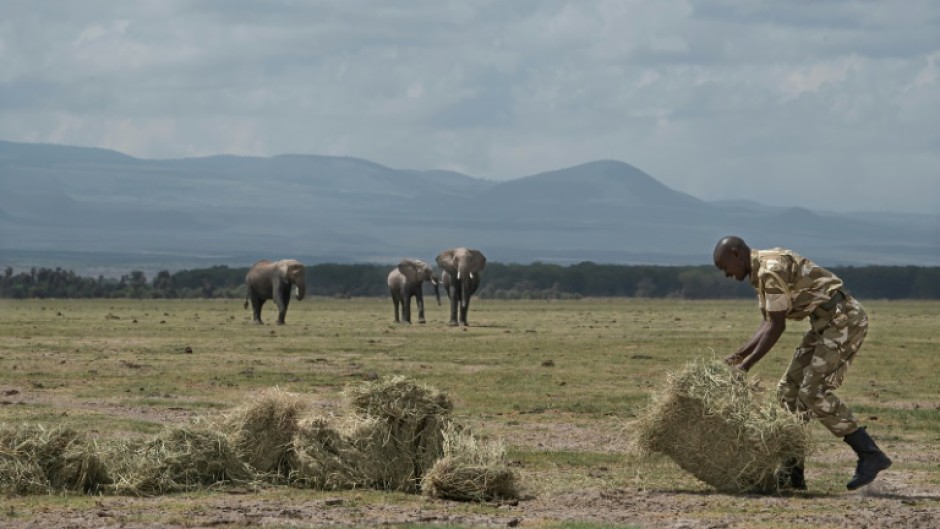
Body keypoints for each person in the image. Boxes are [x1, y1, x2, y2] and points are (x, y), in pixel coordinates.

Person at [713, 235, 891, 491]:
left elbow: (777, 326)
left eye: (724, 267)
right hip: (824, 323)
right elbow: (767, 322)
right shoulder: (760, 271)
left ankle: (869, 454)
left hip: (843, 320)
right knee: (788, 391)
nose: (726, 274)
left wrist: (746, 366)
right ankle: (792, 473)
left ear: (736, 255)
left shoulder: (769, 271)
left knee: (812, 393)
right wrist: (737, 357)